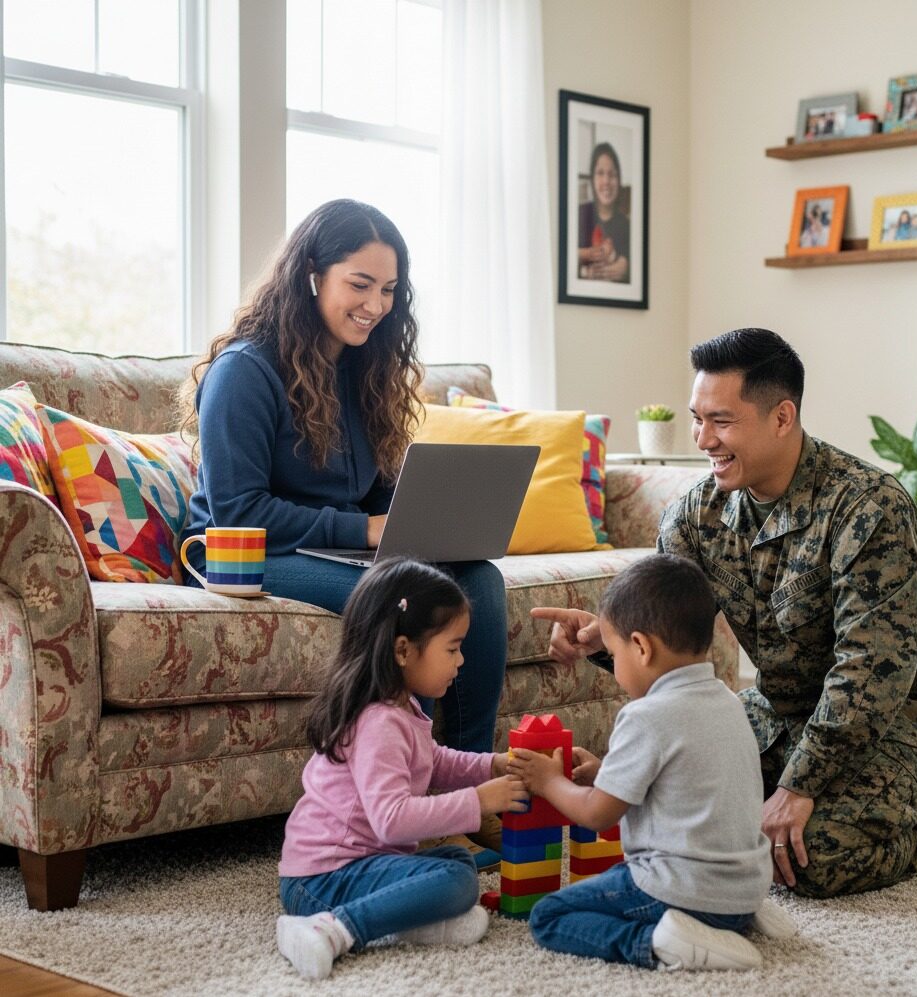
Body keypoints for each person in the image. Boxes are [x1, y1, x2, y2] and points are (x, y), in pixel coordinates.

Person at [532, 328, 917, 899]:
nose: (703, 439)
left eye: (720, 421)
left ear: (782, 417)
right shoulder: (694, 515)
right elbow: (663, 637)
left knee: (807, 859)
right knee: (701, 821)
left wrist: (799, 786)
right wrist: (602, 638)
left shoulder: (869, 506)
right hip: (773, 709)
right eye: (696, 418)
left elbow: (872, 672)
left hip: (887, 720)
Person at [180, 201, 509, 856]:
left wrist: (426, 516)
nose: (375, 304)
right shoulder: (245, 371)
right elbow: (238, 509)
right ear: (311, 274)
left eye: (388, 290)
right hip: (240, 552)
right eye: (359, 284)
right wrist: (366, 532)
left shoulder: (363, 369)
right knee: (394, 595)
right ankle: (423, 806)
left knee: (479, 581)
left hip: (333, 543)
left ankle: (467, 796)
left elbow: (374, 490)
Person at [509, 554, 785, 971]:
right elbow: (685, 784)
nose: (615, 670)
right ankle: (736, 919)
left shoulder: (645, 716)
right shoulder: (729, 702)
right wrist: (608, 773)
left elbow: (598, 815)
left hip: (681, 891)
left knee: (549, 917)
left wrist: (548, 781)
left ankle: (657, 942)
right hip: (744, 887)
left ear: (640, 647)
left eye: (615, 655)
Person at [276, 558, 528, 980]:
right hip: (323, 880)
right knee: (457, 881)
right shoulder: (379, 721)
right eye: (452, 648)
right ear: (403, 650)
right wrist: (479, 801)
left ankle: (412, 925)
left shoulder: (398, 705)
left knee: (458, 865)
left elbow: (435, 761)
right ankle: (334, 929)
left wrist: (494, 765)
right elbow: (392, 821)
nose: (461, 661)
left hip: (357, 865)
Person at [577, 142, 630, 283]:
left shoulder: (627, 226)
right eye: (600, 173)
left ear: (619, 180)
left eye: (612, 175)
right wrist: (582, 258)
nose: (606, 181)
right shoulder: (579, 216)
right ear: (592, 179)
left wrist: (626, 268)